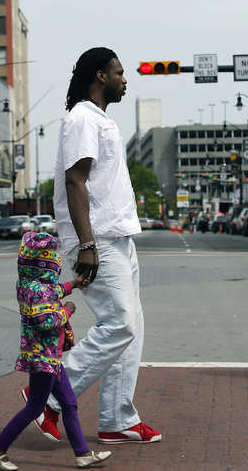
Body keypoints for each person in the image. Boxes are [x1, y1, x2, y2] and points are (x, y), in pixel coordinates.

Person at [25, 47, 161, 445]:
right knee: (118, 323)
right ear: (100, 76)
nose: (125, 79)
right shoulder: (83, 118)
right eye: (119, 73)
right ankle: (49, 396)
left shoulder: (99, 119)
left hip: (116, 236)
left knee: (131, 326)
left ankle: (117, 418)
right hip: (96, 238)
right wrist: (86, 244)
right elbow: (75, 182)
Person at [0, 232, 112, 470]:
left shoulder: (29, 284)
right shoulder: (38, 290)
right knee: (35, 407)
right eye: (54, 261)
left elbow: (51, 292)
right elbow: (45, 321)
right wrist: (68, 311)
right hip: (43, 358)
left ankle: (82, 454)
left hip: (48, 358)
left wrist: (72, 285)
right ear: (47, 265)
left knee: (70, 404)